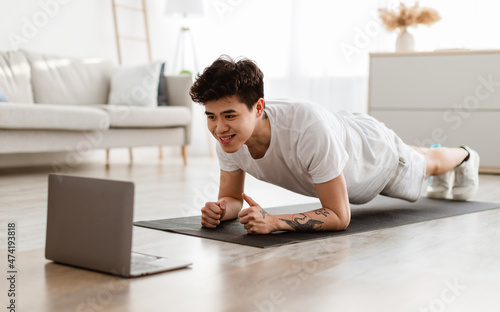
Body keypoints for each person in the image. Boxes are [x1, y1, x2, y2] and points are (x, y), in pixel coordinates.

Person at [189, 56, 480, 235]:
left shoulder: (306, 129)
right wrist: (220, 209)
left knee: (430, 163)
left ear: (258, 107)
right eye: (211, 117)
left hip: (376, 159)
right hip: (346, 134)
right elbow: (232, 198)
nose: (219, 128)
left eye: (229, 115)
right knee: (417, 153)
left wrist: (275, 222)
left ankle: (466, 156)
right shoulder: (229, 139)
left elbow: (340, 216)